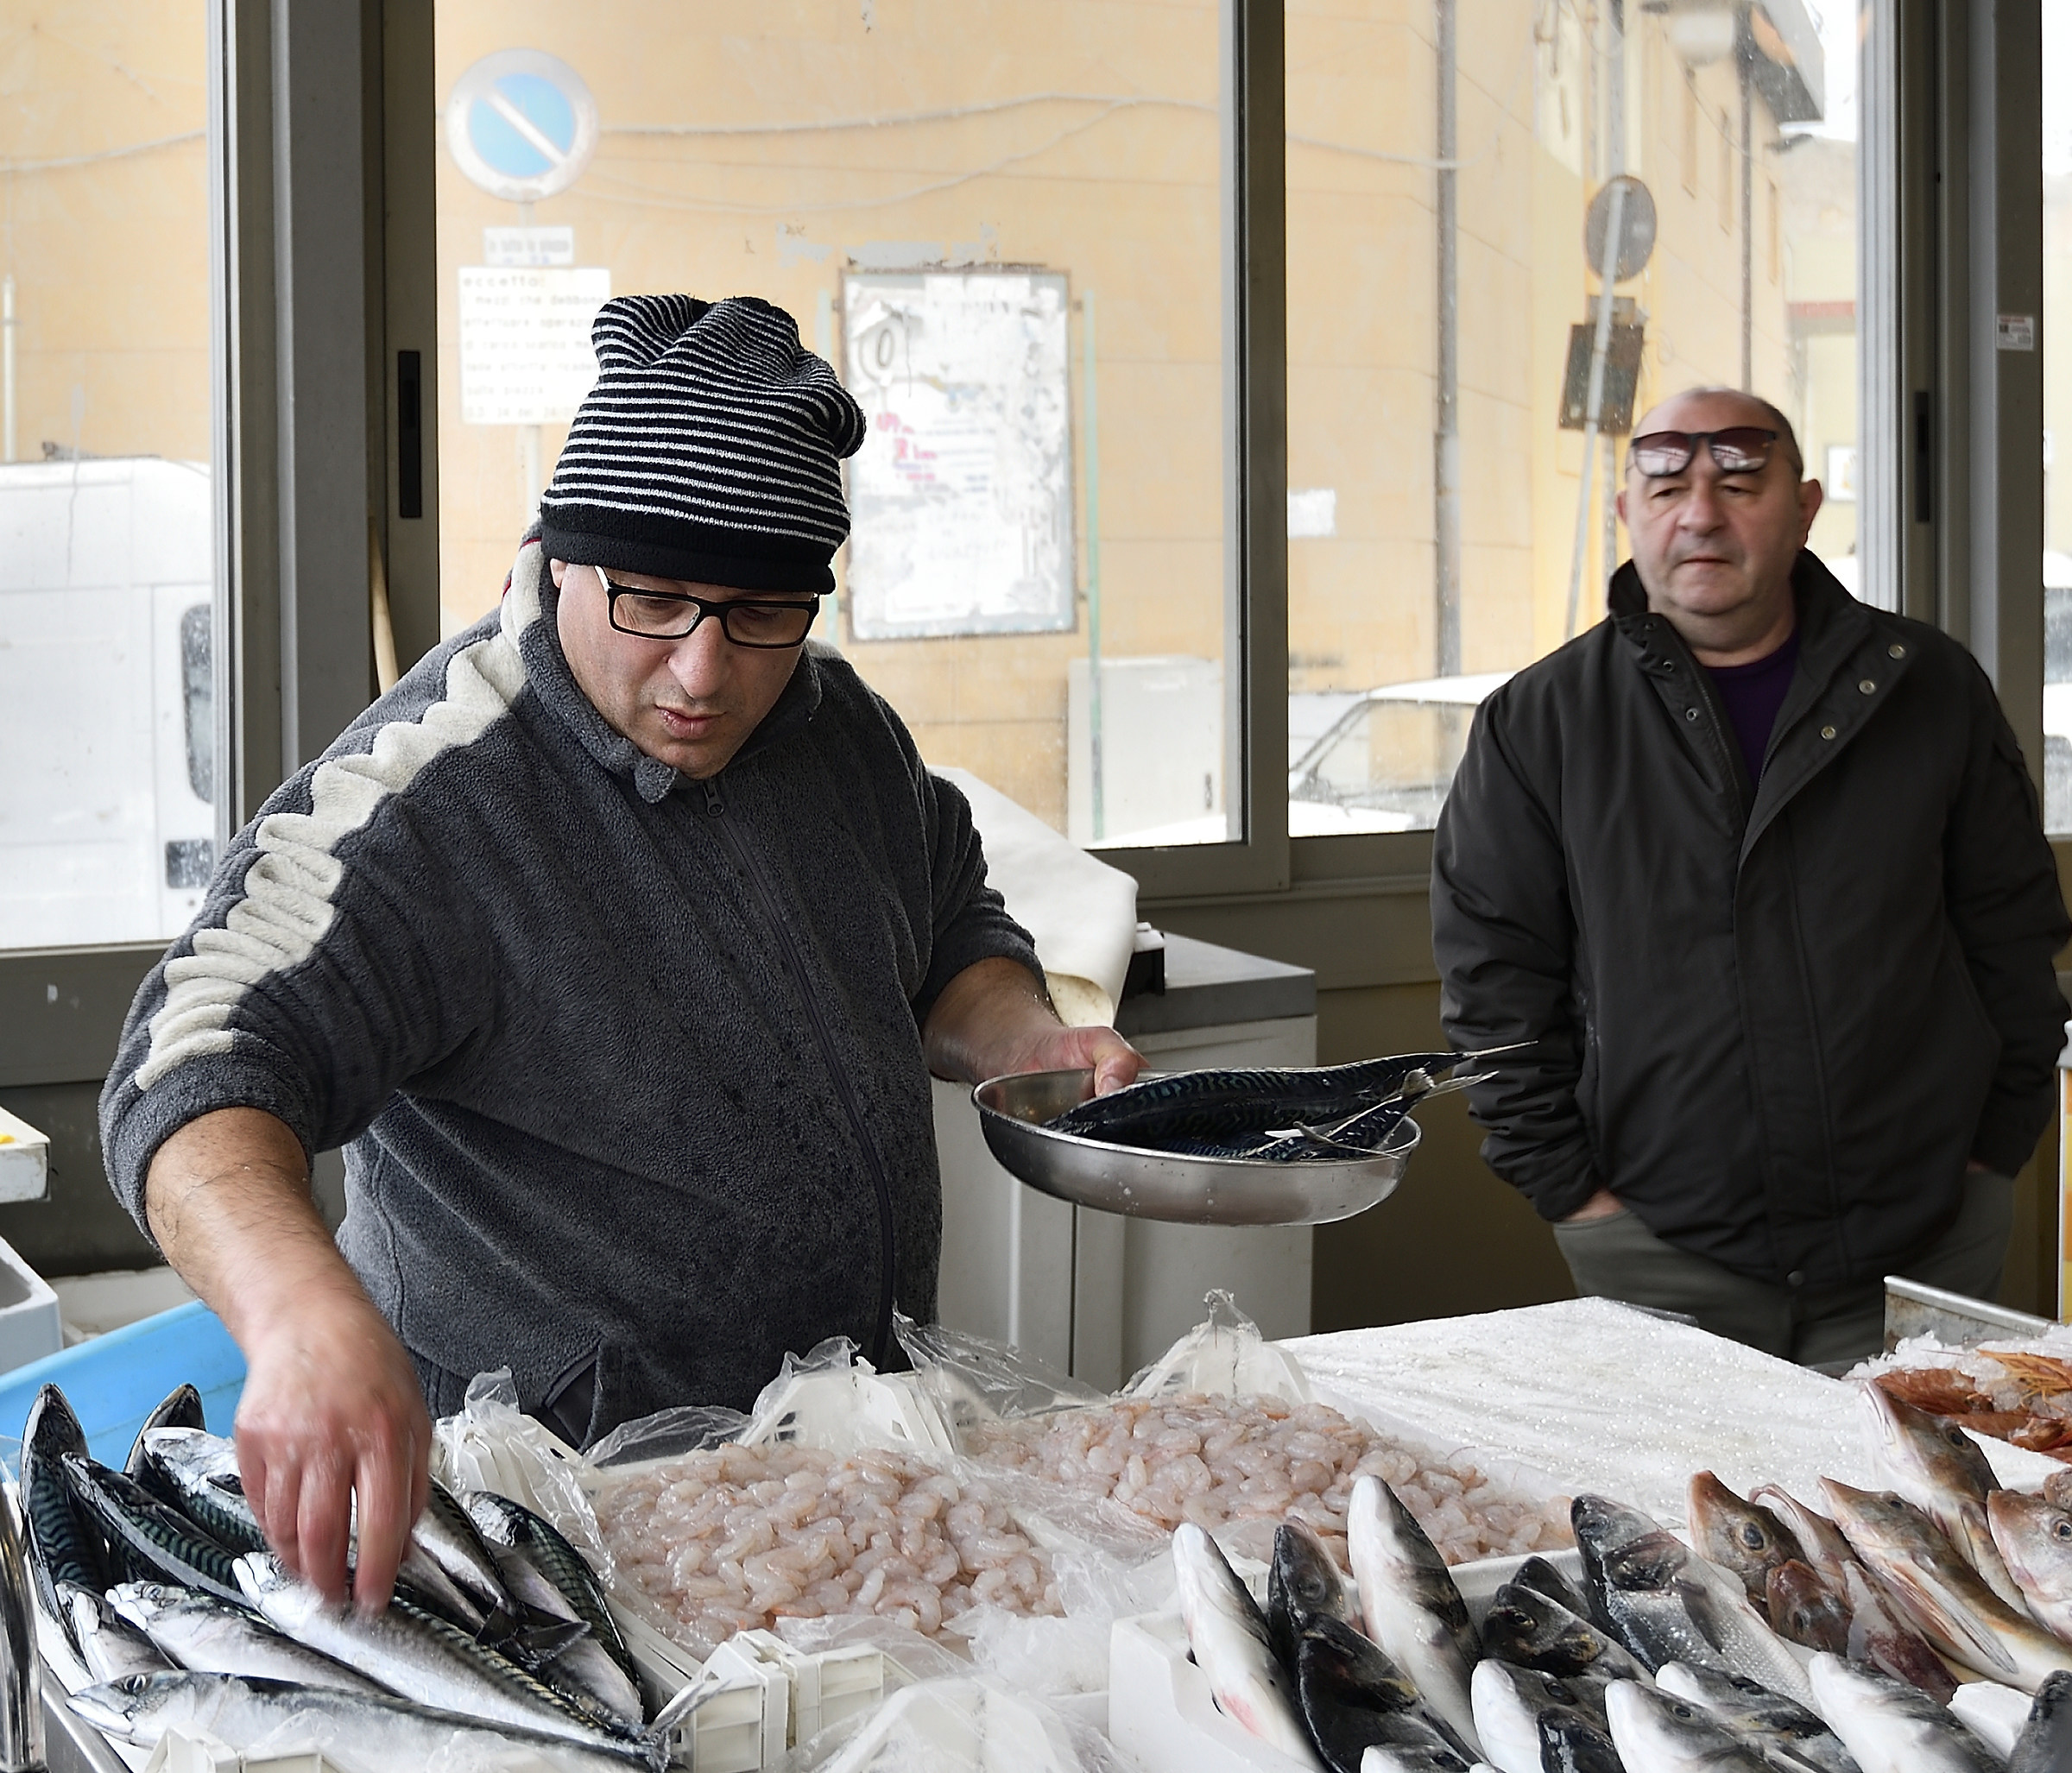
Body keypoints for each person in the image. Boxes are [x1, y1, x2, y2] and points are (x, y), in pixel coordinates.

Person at [98, 293, 1141, 1611]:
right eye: (651, 599)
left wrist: (1026, 1038)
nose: (704, 671)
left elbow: (948, 934)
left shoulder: (839, 731)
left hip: (854, 1486)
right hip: (550, 1530)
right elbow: (188, 1065)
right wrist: (298, 1309)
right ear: (562, 560)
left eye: (763, 612)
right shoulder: (426, 800)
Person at [1431, 385, 2069, 1372]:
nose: (1701, 512)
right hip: (1660, 1249)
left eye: (1739, 479)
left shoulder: (1927, 686)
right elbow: (1494, 984)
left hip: (1928, 1238)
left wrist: (1994, 1152)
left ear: (1806, 505)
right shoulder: (1541, 723)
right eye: (1668, 483)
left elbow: (2014, 935)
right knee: (1696, 1521)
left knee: (1921, 1517)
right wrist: (1574, 1195)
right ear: (1626, 513)